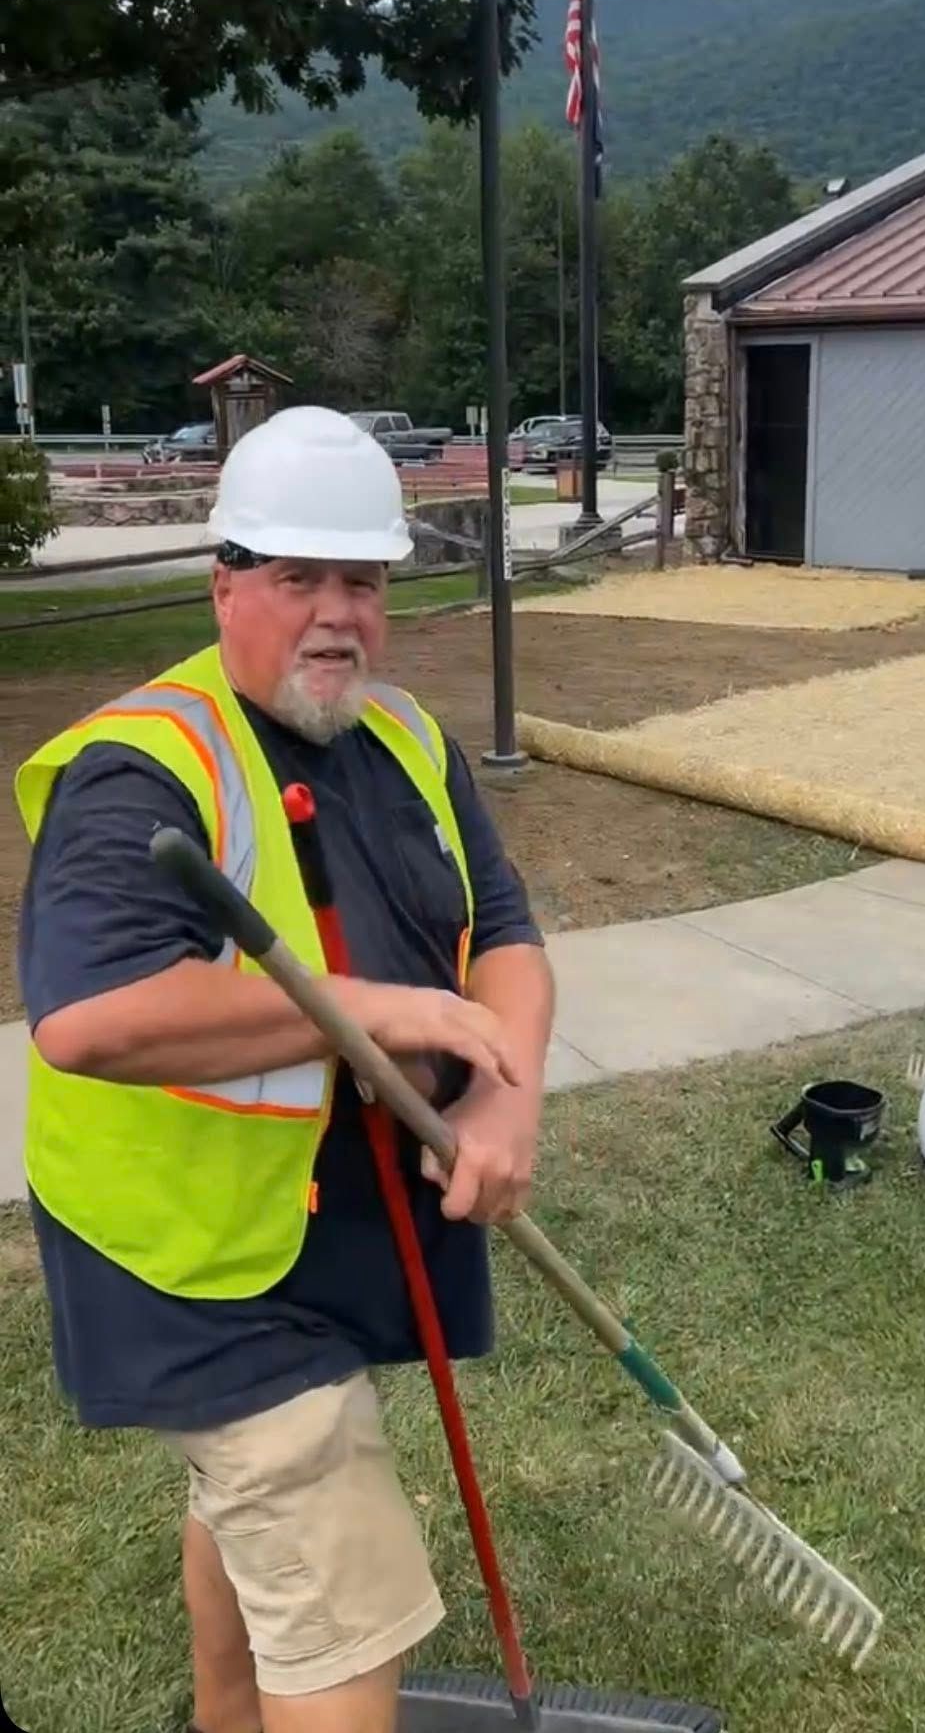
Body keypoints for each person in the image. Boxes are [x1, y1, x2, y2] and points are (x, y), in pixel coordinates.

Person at [14, 405, 555, 1733]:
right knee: (332, 1558)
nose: (336, 615)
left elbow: (507, 932)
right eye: (297, 577)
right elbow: (85, 1018)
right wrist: (363, 1011)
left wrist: (504, 1095)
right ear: (226, 583)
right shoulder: (141, 770)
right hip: (181, 1244)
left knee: (253, 1495)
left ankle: (226, 1718)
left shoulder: (407, 737)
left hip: (323, 1219)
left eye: (361, 581)